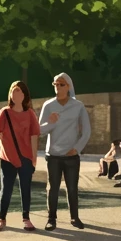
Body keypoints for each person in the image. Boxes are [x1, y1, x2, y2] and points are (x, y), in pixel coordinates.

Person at [38, 72, 91, 230]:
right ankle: (51, 219)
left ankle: (74, 218)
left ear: (68, 86)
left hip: (71, 155)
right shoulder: (48, 105)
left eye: (61, 84)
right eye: (55, 84)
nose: (58, 87)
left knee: (72, 187)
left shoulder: (78, 106)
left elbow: (87, 131)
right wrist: (51, 123)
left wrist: (77, 149)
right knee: (53, 188)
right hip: (53, 155)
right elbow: (40, 130)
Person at [0, 81, 41, 232]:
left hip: (25, 157)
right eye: (13, 91)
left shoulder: (30, 114)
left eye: (19, 91)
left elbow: (34, 136)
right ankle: (2, 219)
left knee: (25, 188)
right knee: (6, 189)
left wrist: (34, 159)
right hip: (7, 158)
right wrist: (5, 148)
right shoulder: (4, 112)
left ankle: (26, 219)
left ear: (24, 94)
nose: (15, 94)